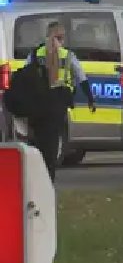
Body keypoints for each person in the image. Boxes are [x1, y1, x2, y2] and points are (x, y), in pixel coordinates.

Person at [26, 21, 96, 179]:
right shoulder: (68, 55)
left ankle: (38, 172)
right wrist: (90, 99)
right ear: (61, 38)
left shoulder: (35, 54)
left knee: (39, 139)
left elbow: (25, 73)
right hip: (59, 101)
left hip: (39, 102)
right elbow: (81, 78)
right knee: (53, 140)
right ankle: (49, 174)